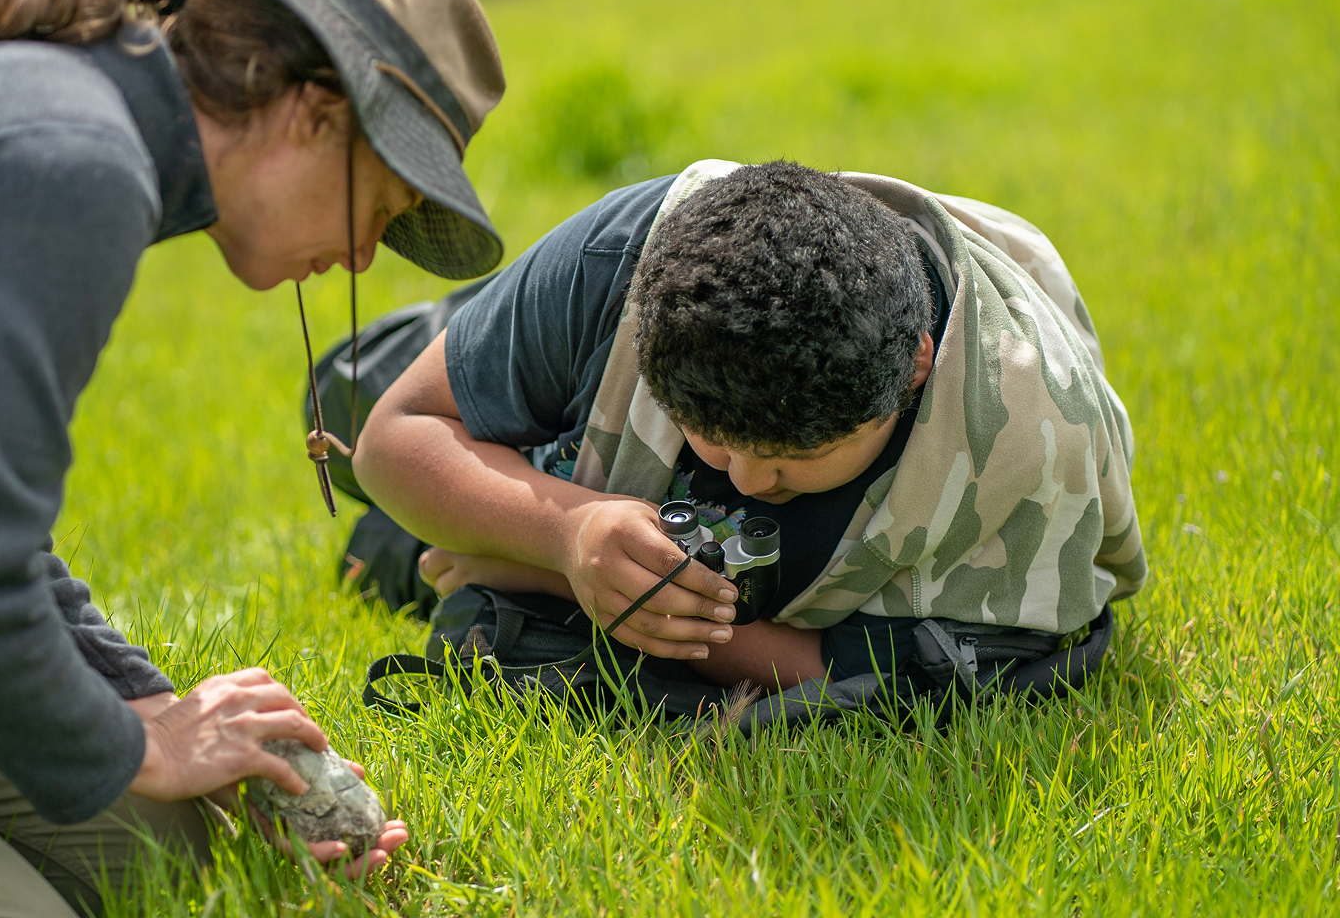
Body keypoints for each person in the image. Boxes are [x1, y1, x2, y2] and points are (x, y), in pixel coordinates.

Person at [0, 0, 506, 917]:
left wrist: (146, 705)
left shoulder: (84, 138)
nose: (363, 256)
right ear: (316, 111)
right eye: (378, 208)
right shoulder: (68, 166)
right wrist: (137, 738)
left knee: (191, 854)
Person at [352, 160, 1147, 702]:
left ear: (913, 372)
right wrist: (569, 527)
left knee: (474, 583)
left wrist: (554, 573)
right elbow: (395, 437)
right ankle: (433, 332)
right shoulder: (621, 260)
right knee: (357, 444)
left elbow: (892, 666)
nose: (743, 480)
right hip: (554, 445)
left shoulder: (1031, 447)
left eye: (792, 459)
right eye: (708, 435)